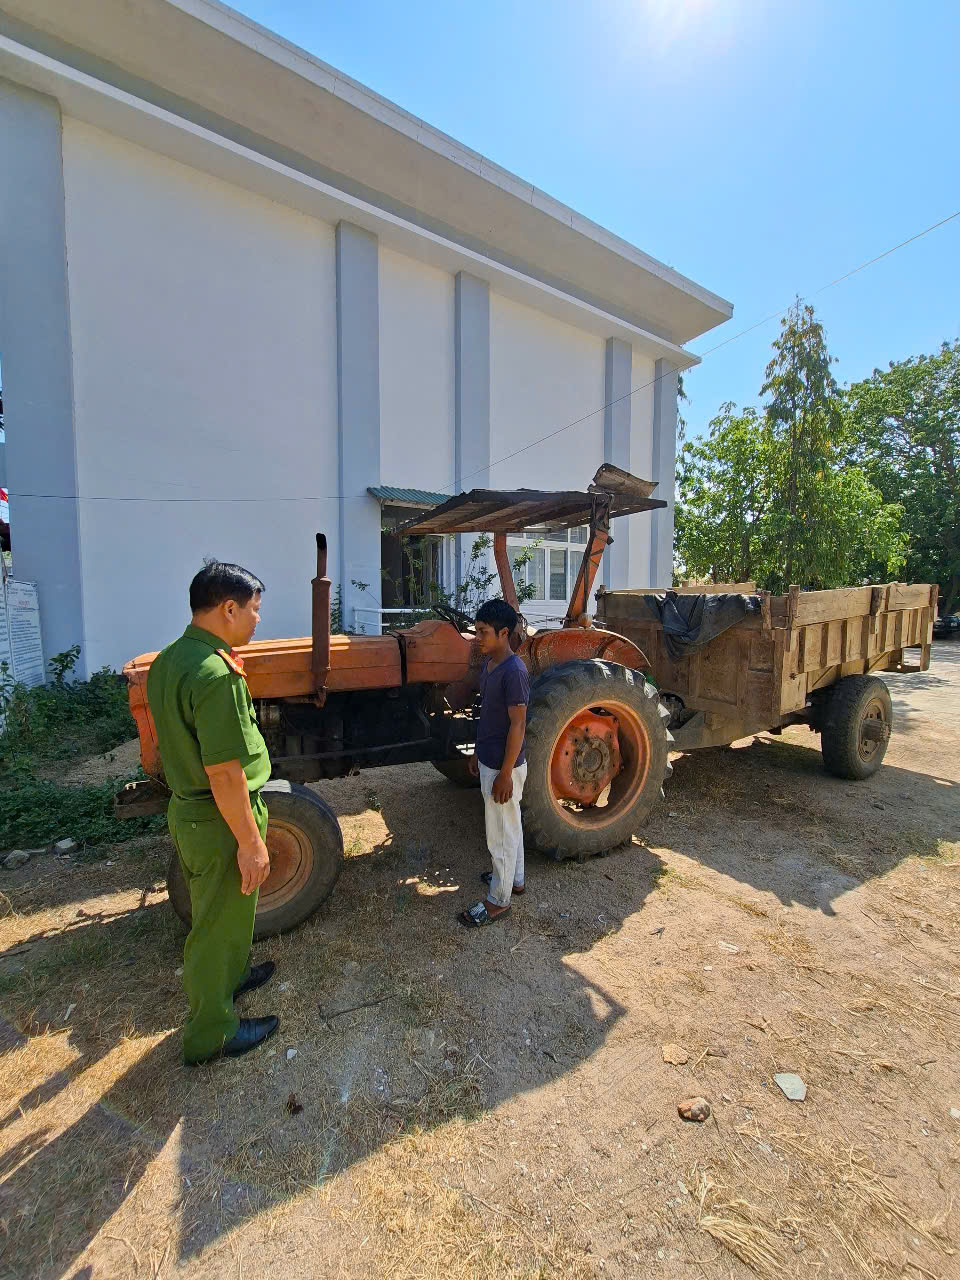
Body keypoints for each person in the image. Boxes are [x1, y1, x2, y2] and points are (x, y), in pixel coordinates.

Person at [147, 561, 278, 1065]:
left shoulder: (170, 659)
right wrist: (250, 840)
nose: (257, 620)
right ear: (228, 608)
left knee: (223, 911)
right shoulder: (215, 674)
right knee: (215, 924)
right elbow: (225, 773)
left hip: (193, 811)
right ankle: (212, 1033)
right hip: (220, 816)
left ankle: (233, 975)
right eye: (254, 610)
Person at [458, 599, 529, 928]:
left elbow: (518, 725)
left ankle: (499, 900)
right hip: (490, 759)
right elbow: (488, 715)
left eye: (483, 632)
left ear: (504, 633)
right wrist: (477, 751)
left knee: (499, 834)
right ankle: (515, 880)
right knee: (510, 825)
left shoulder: (514, 672)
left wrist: (505, 774)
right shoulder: (490, 666)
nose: (477, 638)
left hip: (505, 767)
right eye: (477, 630)